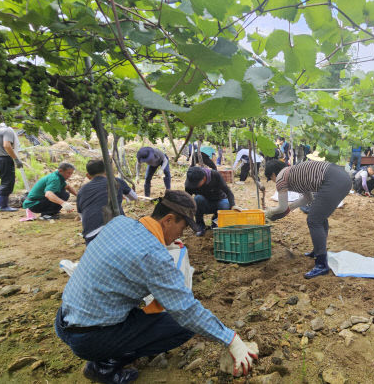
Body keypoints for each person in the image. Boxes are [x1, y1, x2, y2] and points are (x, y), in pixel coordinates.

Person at [55, 191, 258, 384]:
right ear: (168, 220)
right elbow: (186, 311)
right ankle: (106, 365)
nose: (182, 234)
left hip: (64, 320)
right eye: (183, 227)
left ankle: (111, 348)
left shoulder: (119, 223)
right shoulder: (153, 255)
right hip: (89, 338)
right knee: (183, 326)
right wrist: (231, 339)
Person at [264, 159, 352, 279]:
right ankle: (318, 250)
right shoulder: (295, 174)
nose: (273, 181)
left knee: (314, 220)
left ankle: (321, 264)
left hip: (333, 180)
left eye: (271, 178)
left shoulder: (281, 177)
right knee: (319, 216)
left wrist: (269, 212)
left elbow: (281, 207)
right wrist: (291, 207)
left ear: (273, 174)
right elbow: (307, 199)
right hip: (342, 177)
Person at [76, 159, 137, 245]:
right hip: (116, 231)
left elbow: (82, 216)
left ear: (88, 175)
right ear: (106, 171)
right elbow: (134, 197)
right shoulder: (116, 181)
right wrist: (123, 198)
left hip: (91, 237)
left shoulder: (81, 191)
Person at [185, 166, 240, 236]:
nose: (194, 186)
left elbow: (228, 192)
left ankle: (215, 222)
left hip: (219, 200)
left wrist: (233, 205)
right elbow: (187, 198)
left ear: (204, 178)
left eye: (196, 184)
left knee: (226, 205)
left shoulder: (215, 175)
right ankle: (200, 225)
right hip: (204, 202)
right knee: (197, 199)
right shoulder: (190, 182)